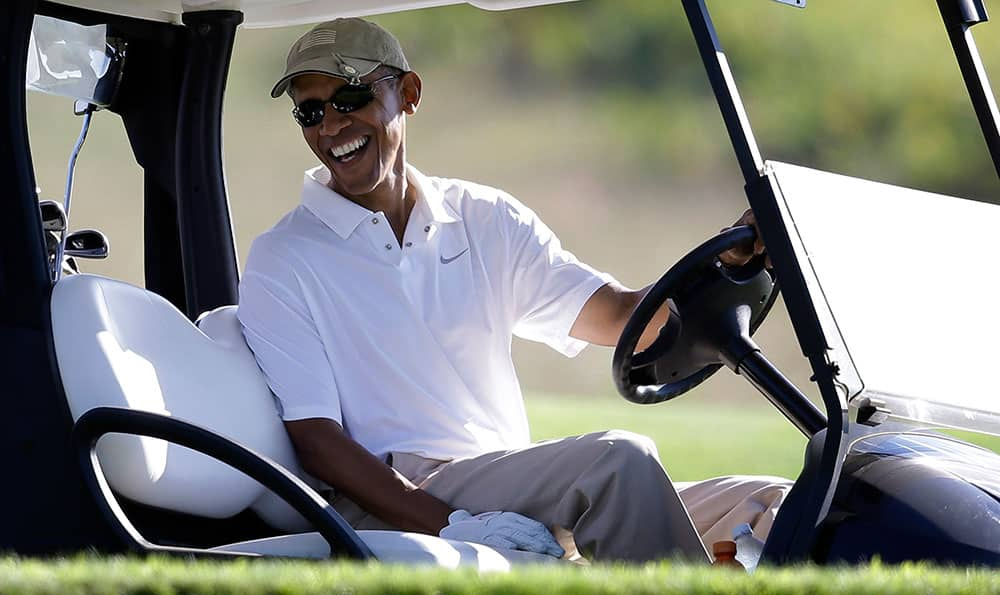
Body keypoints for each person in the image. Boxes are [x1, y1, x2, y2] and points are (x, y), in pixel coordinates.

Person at [238, 17, 792, 563]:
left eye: (350, 97)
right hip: (404, 495)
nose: (330, 127)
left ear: (408, 92)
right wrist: (454, 524)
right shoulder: (284, 259)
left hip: (510, 486)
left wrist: (719, 260)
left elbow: (620, 317)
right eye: (310, 112)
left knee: (772, 501)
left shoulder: (485, 217)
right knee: (619, 461)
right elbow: (317, 440)